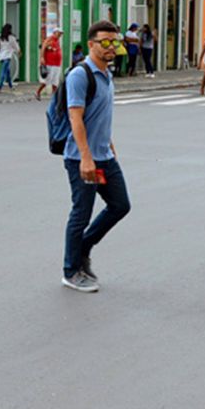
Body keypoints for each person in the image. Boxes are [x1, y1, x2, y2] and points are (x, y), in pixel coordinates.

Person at [60, 20, 130, 293]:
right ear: (91, 44)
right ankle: (70, 271)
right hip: (82, 158)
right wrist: (86, 158)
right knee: (81, 213)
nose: (112, 47)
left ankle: (83, 247)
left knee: (120, 205)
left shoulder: (107, 74)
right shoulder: (80, 75)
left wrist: (109, 144)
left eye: (115, 42)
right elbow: (75, 118)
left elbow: (99, 116)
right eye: (106, 42)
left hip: (104, 156)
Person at [37, 28, 63, 101]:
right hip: (50, 63)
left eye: (61, 33)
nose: (60, 35)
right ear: (54, 33)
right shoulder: (50, 39)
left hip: (57, 64)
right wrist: (42, 57)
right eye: (59, 33)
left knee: (55, 81)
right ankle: (38, 92)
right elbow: (43, 47)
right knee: (47, 81)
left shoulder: (57, 41)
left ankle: (55, 97)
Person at [0, 24, 20, 90]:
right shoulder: (12, 37)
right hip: (7, 56)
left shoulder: (0, 36)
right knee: (3, 72)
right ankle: (0, 87)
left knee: (8, 71)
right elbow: (16, 46)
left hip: (1, 56)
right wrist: (19, 52)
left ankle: (11, 86)